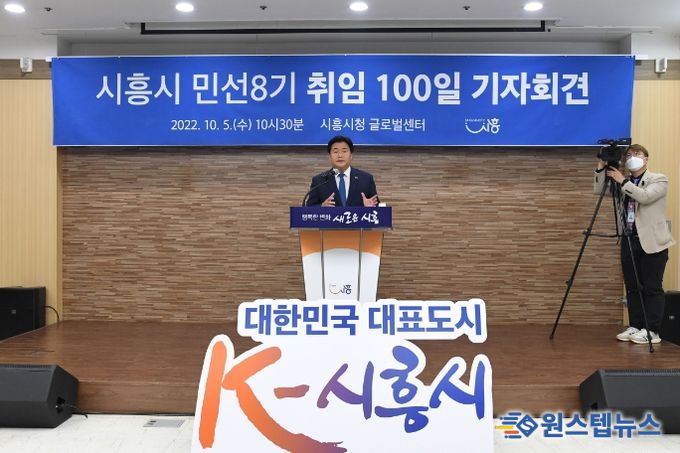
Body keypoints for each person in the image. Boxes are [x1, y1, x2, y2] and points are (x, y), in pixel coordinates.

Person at [594, 144, 675, 344]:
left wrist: (622, 181)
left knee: (652, 287)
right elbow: (599, 190)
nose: (632, 157)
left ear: (646, 158)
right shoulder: (624, 182)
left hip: (652, 242)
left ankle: (652, 330)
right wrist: (601, 166)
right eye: (628, 155)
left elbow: (645, 197)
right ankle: (636, 326)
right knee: (632, 287)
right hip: (629, 239)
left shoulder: (658, 179)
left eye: (637, 154)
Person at [306, 135, 379, 207]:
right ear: (330, 157)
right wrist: (322, 206)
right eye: (335, 152)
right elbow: (309, 208)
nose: (340, 155)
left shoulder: (366, 179)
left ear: (351, 156)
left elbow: (377, 206)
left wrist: (370, 207)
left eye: (344, 151)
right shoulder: (319, 180)